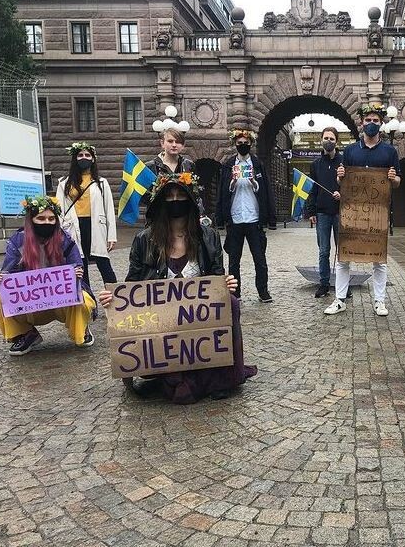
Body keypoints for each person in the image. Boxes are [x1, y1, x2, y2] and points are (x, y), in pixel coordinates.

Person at [98, 172, 256, 403]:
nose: (174, 200)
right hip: (161, 317)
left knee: (230, 303)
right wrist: (114, 299)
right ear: (161, 203)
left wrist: (227, 284)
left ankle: (222, 378)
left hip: (198, 315)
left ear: (191, 201)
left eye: (180, 195)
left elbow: (216, 279)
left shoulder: (208, 236)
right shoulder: (144, 240)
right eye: (169, 196)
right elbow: (132, 285)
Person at [0, 196, 96, 355]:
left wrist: (76, 272)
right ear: (31, 219)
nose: (46, 222)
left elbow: (77, 265)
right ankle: (27, 334)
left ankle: (80, 328)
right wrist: (2, 278)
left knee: (83, 297)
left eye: (51, 218)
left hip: (62, 302)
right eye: (40, 218)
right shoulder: (18, 241)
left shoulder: (65, 240)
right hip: (31, 304)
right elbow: (9, 272)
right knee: (1, 299)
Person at [324, 103, 401, 317]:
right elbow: (342, 181)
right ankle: (339, 299)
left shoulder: (390, 151)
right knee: (344, 257)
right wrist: (340, 176)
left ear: (381, 123)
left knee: (379, 259)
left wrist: (393, 179)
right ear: (361, 123)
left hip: (378, 213)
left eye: (375, 121)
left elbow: (397, 183)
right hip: (352, 213)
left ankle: (379, 301)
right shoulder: (349, 151)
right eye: (368, 120)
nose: (371, 124)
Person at [217, 128, 277, 303]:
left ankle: (263, 291)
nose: (243, 145)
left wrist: (253, 182)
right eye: (240, 143)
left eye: (246, 143)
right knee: (234, 261)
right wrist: (232, 183)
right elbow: (222, 192)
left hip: (254, 219)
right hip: (235, 219)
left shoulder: (257, 164)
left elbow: (266, 191)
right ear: (235, 144)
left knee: (260, 259)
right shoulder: (228, 165)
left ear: (251, 144)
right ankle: (235, 294)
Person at [56, 142, 117, 285]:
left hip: (95, 225)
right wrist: (59, 233)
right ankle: (87, 301)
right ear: (75, 159)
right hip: (73, 226)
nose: (84, 158)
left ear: (93, 159)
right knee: (80, 264)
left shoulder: (101, 182)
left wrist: (111, 236)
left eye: (87, 155)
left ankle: (116, 297)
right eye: (80, 155)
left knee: (103, 263)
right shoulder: (64, 183)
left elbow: (109, 209)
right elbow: (59, 209)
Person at [305, 127, 343, 298]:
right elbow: (312, 189)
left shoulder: (343, 162)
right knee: (324, 251)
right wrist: (311, 210)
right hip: (322, 213)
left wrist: (342, 193)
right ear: (322, 140)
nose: (329, 141)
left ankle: (343, 285)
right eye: (326, 138)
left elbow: (351, 186)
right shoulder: (315, 165)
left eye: (332, 138)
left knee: (342, 251)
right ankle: (324, 283)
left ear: (337, 141)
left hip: (340, 212)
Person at [145, 128, 207, 220]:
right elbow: (146, 197)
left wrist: (200, 214)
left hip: (185, 217)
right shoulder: (150, 167)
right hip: (160, 218)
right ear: (162, 143)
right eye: (170, 141)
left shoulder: (189, 165)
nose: (174, 145)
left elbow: (197, 193)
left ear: (183, 145)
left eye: (178, 142)